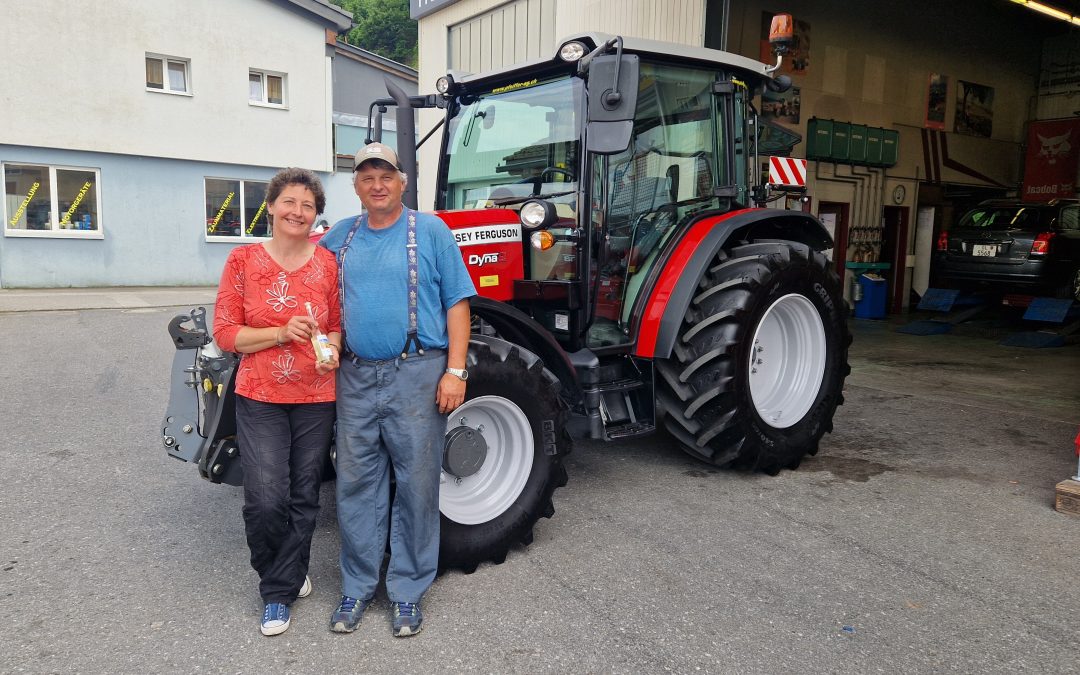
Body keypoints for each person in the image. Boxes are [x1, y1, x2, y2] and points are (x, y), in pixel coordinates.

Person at [319, 142, 475, 637]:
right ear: (356, 185)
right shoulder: (339, 237)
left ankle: (407, 591)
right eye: (366, 176)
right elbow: (305, 285)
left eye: (385, 174)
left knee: (416, 484)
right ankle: (357, 586)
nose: (377, 184)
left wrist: (457, 371)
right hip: (356, 376)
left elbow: (457, 303)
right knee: (356, 485)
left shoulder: (430, 231)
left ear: (402, 181)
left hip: (417, 374)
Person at [212, 167, 342, 636]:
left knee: (305, 494)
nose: (298, 211)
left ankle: (278, 591)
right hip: (261, 393)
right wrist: (280, 332)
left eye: (308, 205)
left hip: (315, 394)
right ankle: (281, 575)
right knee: (267, 498)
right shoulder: (243, 261)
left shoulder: (327, 264)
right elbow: (226, 334)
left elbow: (336, 324)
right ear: (271, 206)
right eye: (289, 202)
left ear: (316, 215)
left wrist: (332, 351)